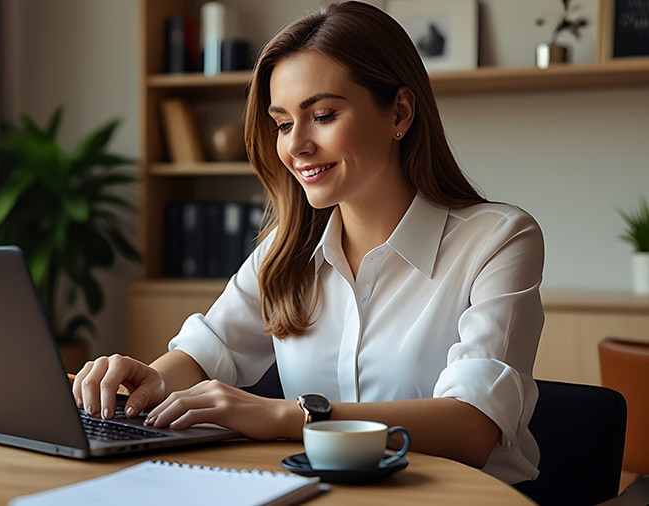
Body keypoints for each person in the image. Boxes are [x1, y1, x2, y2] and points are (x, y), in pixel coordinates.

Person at [72, 1, 544, 485]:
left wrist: (288, 416)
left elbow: (472, 427)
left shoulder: (497, 240)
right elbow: (208, 349)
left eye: (321, 115)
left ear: (399, 112)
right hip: (329, 493)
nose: (295, 146)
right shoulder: (288, 247)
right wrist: (154, 380)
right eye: (282, 123)